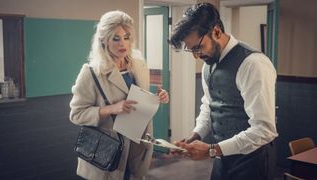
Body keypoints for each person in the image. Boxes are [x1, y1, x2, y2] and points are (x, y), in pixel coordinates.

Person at [169, 3, 278, 180]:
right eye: (191, 51)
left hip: (253, 161)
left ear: (217, 32)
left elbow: (264, 130)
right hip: (222, 157)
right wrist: (194, 136)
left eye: (198, 47)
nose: (196, 56)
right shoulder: (208, 66)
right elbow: (209, 106)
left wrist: (211, 150)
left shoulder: (254, 64)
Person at [69, 10, 169, 180]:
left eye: (127, 37)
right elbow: (76, 114)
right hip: (108, 155)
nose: (123, 43)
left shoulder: (139, 64)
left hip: (137, 150)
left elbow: (138, 100)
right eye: (116, 38)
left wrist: (158, 97)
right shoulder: (91, 72)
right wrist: (110, 109)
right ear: (104, 41)